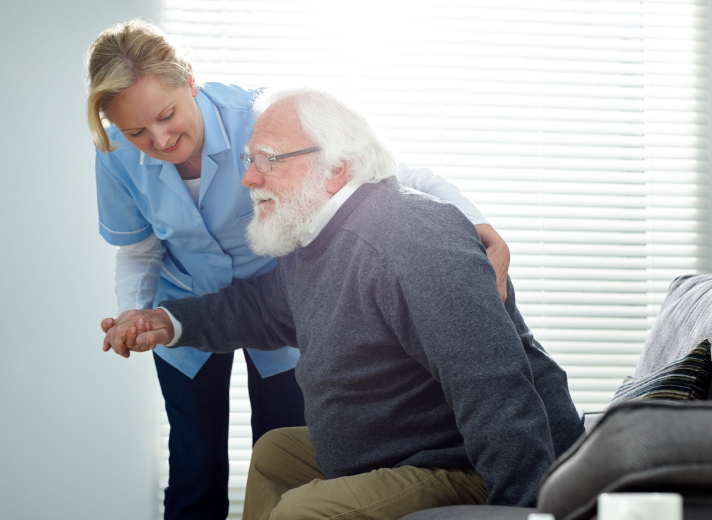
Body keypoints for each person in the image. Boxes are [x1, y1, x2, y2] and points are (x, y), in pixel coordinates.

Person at [86, 20, 513, 519]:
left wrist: (480, 225)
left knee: (288, 442)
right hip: (191, 303)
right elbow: (138, 250)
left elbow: (384, 169)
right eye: (136, 131)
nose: (158, 139)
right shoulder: (114, 156)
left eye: (166, 115)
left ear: (189, 80)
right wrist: (140, 314)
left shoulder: (263, 116)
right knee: (193, 467)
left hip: (283, 298)